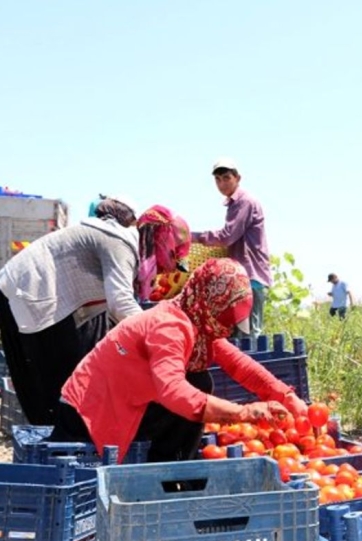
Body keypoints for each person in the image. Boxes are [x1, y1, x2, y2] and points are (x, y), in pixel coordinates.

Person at [52, 258, 308, 463]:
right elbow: (173, 390)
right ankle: (166, 469)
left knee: (197, 381)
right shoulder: (170, 327)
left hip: (119, 401)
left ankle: (168, 467)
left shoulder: (198, 320)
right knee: (197, 383)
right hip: (87, 413)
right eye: (226, 317)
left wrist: (286, 396)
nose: (228, 329)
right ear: (210, 302)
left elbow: (241, 365)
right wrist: (243, 412)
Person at [0, 200, 190, 425]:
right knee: (55, 385)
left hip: (25, 293)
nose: (168, 268)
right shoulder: (121, 244)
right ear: (160, 241)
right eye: (172, 256)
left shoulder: (123, 245)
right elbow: (120, 303)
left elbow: (106, 309)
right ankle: (54, 445)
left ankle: (51, 440)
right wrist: (163, 335)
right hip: (29, 294)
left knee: (49, 385)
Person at [192, 157, 271, 340]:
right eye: (218, 180)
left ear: (238, 178)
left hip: (250, 278)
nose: (222, 184)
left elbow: (227, 236)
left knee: (249, 336)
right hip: (241, 277)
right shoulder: (234, 203)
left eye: (226, 178)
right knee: (239, 336)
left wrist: (193, 237)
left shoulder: (244, 202)